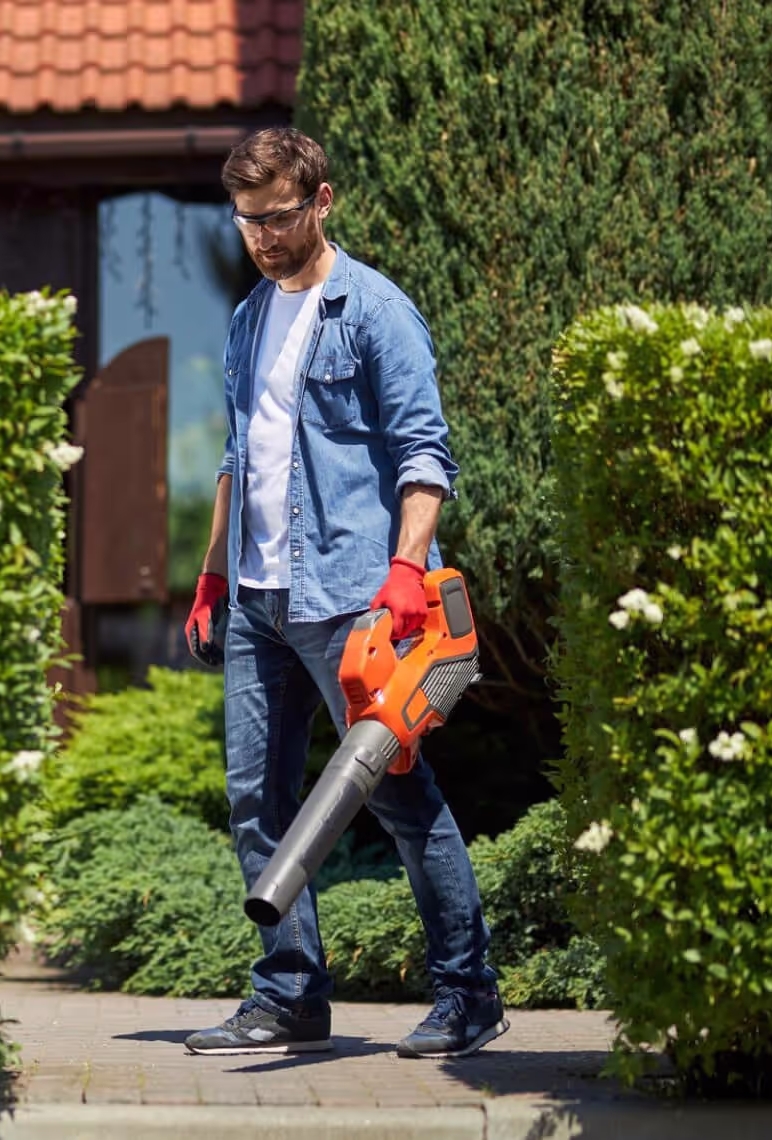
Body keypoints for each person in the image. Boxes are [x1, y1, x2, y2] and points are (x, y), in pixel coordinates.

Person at [180, 127, 506, 1059]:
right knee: (257, 801)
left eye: (277, 217)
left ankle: (467, 992)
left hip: (357, 601)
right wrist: (212, 575)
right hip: (259, 598)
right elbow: (238, 460)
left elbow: (424, 456)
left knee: (398, 796)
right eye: (246, 220)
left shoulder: (375, 313)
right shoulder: (249, 317)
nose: (261, 237)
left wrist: (407, 573)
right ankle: (288, 997)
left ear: (322, 202)